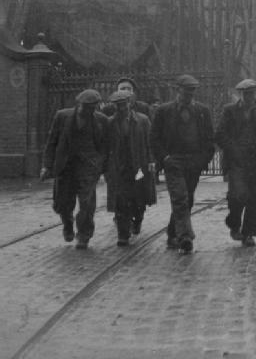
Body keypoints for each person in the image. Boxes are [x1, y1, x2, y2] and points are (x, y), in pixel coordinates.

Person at [150, 74, 215, 254]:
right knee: (180, 197)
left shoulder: (203, 111)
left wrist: (203, 160)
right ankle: (185, 237)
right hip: (174, 161)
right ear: (177, 90)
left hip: (194, 162)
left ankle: (172, 232)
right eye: (186, 91)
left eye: (192, 92)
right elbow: (154, 138)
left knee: (189, 199)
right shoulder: (164, 111)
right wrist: (165, 158)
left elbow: (210, 139)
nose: (189, 95)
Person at [40, 88, 110, 249]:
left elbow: (105, 146)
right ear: (78, 104)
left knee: (87, 203)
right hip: (65, 166)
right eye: (85, 107)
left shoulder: (102, 121)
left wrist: (100, 164)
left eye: (92, 108)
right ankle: (68, 224)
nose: (88, 110)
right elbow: (52, 142)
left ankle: (84, 235)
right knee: (63, 203)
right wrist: (46, 165)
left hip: (88, 168)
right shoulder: (62, 116)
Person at [215, 79, 256, 247]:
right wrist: (233, 149)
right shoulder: (229, 111)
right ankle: (234, 222)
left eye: (252, 93)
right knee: (239, 195)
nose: (250, 97)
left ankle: (249, 232)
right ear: (240, 94)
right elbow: (220, 134)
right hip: (237, 162)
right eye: (246, 93)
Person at [105, 89, 156, 245]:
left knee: (138, 197)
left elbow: (150, 143)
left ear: (130, 103)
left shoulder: (142, 120)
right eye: (118, 105)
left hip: (138, 167)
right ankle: (123, 234)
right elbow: (106, 146)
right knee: (120, 200)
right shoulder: (111, 123)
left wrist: (151, 161)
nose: (121, 108)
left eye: (124, 104)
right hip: (120, 169)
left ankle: (138, 218)